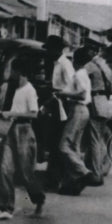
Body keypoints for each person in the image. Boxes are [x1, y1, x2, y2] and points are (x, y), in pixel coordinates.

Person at [0, 58, 46, 220]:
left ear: (19, 72)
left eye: (12, 70)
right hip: (10, 129)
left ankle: (39, 200)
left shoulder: (29, 90)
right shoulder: (10, 89)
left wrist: (12, 114)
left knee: (26, 172)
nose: (10, 74)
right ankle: (5, 207)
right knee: (4, 168)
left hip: (24, 131)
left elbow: (34, 114)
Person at [56, 45, 94, 195]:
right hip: (83, 110)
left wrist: (64, 94)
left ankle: (84, 172)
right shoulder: (83, 73)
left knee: (64, 146)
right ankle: (75, 182)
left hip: (78, 109)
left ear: (76, 60)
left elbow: (82, 94)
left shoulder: (78, 75)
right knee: (75, 146)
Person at [43, 34, 75, 190]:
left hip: (62, 103)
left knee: (58, 141)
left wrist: (59, 93)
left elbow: (71, 86)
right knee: (53, 141)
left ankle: (57, 178)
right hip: (56, 101)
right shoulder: (56, 63)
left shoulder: (65, 64)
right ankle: (52, 177)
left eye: (50, 49)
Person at [82, 43, 112, 184]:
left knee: (94, 140)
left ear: (92, 51)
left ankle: (96, 173)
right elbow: (111, 90)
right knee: (100, 139)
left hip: (94, 102)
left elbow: (79, 80)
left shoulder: (89, 66)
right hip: (104, 103)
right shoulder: (106, 66)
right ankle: (97, 169)